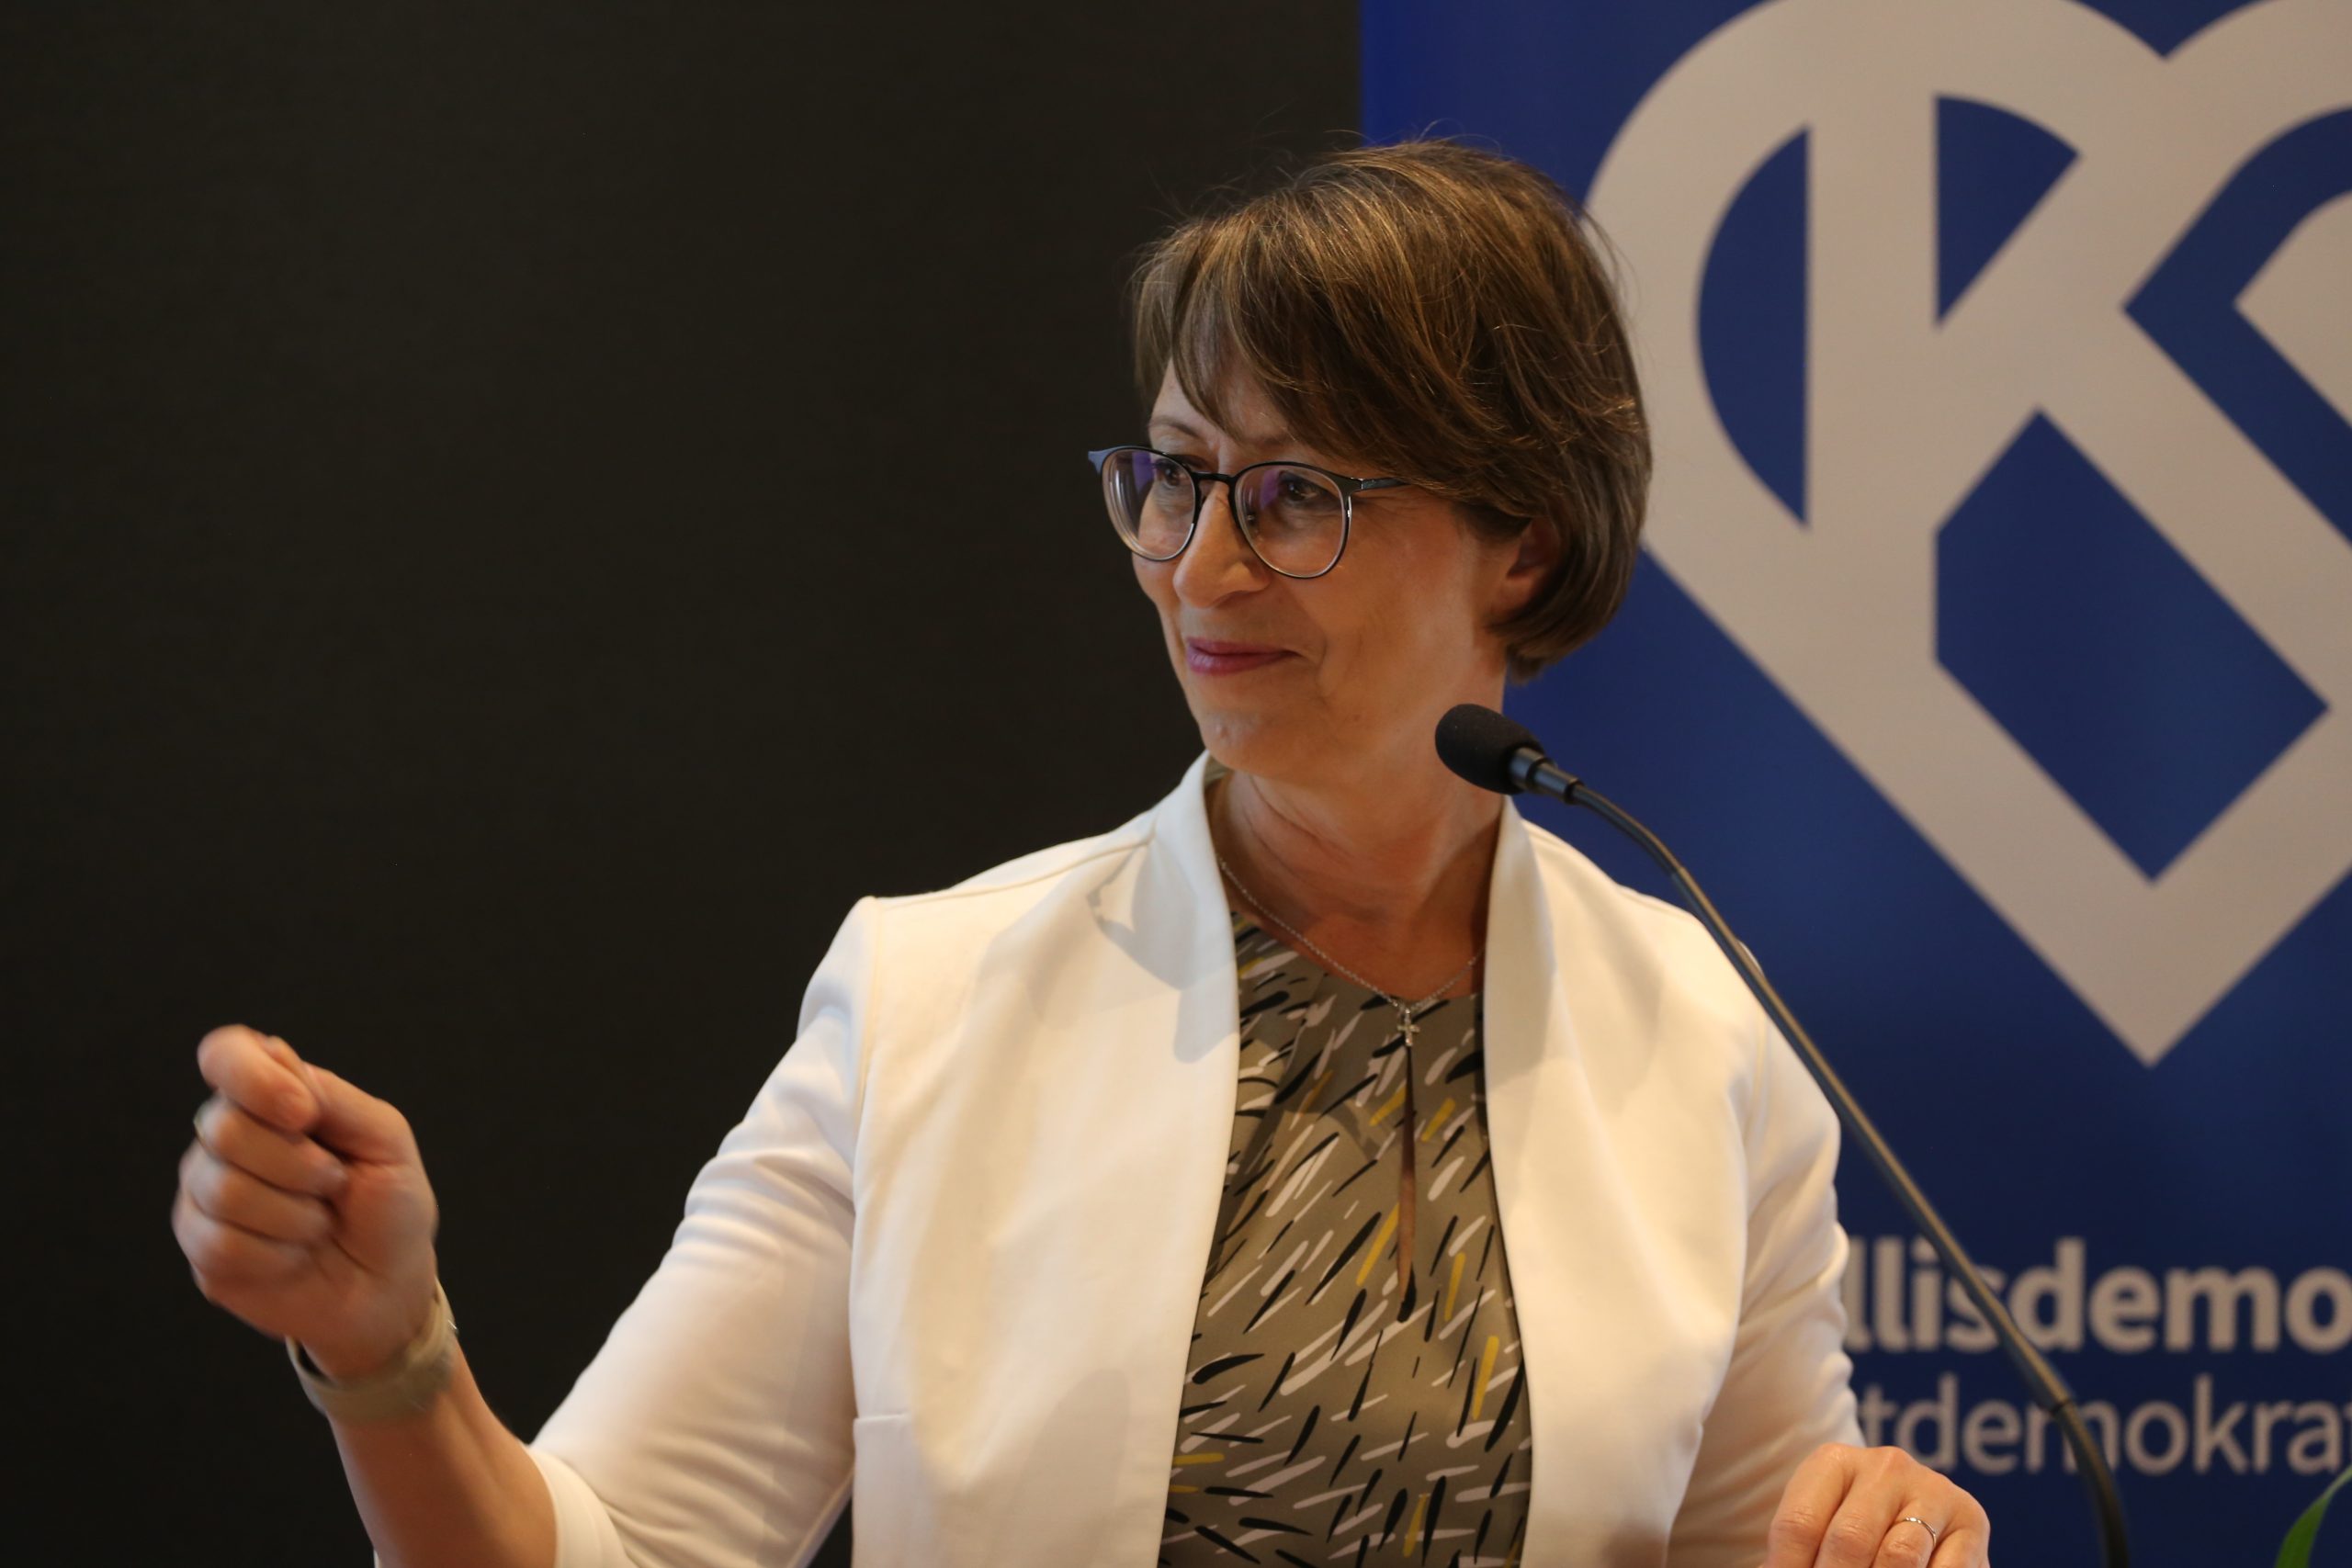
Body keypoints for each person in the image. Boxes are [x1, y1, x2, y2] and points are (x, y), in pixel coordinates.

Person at [174, 140, 1994, 1567]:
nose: (1199, 569)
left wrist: (1887, 1537)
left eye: (1295, 495)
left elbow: (1776, 1542)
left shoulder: (1707, 1042)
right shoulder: (928, 993)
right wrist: (392, 1354)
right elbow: (614, 1548)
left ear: (1519, 537)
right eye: (1175, 478)